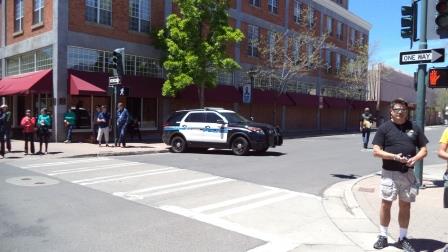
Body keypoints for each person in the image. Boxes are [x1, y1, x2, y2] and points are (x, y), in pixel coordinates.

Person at [371, 98, 428, 252]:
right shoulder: (384, 128)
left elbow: (424, 149)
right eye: (397, 109)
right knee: (386, 203)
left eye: (403, 109)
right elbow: (376, 151)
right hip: (389, 173)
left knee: (405, 205)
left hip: (407, 173)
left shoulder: (414, 127)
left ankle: (402, 238)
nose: (400, 111)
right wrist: (395, 157)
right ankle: (383, 236)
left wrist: (415, 158)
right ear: (391, 111)